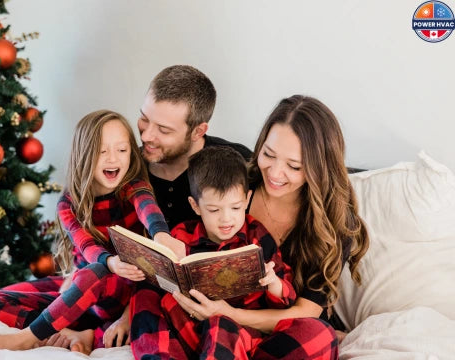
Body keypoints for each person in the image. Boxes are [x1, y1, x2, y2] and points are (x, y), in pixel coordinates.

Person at [153, 95, 370, 359]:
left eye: (294, 166)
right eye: (268, 154)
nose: (275, 173)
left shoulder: (335, 222)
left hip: (274, 333)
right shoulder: (237, 185)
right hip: (208, 324)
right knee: (156, 304)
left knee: (319, 335)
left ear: (318, 168)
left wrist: (230, 314)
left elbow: (307, 311)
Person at [0, 110, 176, 354]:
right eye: (102, 151)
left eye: (122, 150)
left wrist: (161, 235)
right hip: (82, 292)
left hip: (122, 292)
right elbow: (87, 247)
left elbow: (148, 209)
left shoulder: (134, 187)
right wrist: (107, 263)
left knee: (96, 273)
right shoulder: (69, 203)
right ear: (84, 155)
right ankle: (66, 333)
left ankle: (32, 336)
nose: (113, 159)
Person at [130, 146, 297, 359]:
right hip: (190, 328)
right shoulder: (181, 235)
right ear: (196, 206)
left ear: (247, 199)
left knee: (223, 325)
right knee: (146, 291)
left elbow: (288, 297)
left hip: (241, 331)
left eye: (236, 208)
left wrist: (273, 283)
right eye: (214, 210)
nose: (226, 219)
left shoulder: (257, 236)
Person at [137, 65, 253, 232]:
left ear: (198, 132)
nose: (145, 136)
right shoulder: (124, 165)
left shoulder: (239, 163)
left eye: (164, 130)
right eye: (144, 118)